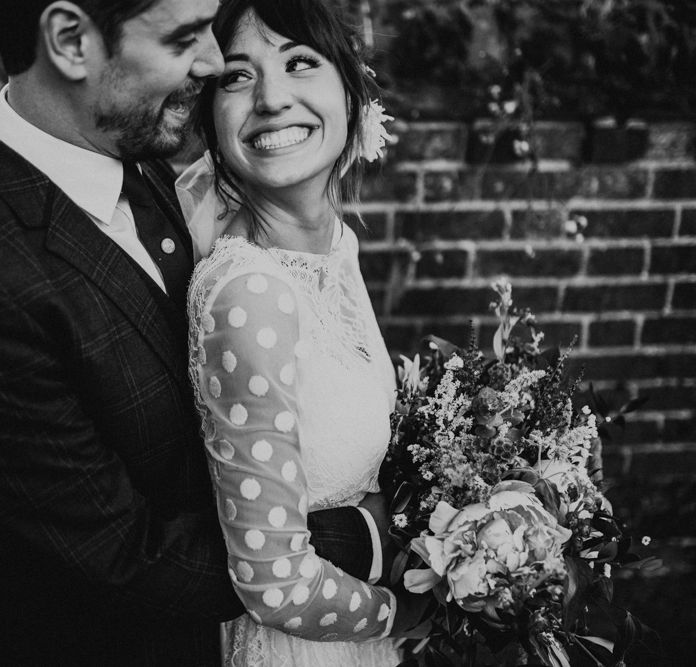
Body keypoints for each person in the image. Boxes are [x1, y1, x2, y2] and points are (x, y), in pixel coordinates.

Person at [0, 1, 411, 664]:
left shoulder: (131, 153)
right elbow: (121, 554)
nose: (214, 63)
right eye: (185, 37)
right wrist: (375, 548)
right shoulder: (12, 274)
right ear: (72, 41)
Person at [177, 0, 421, 664]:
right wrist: (422, 607)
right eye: (236, 76)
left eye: (300, 63)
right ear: (208, 114)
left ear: (349, 90)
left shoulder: (336, 247)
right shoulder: (247, 292)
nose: (271, 98)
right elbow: (273, 583)